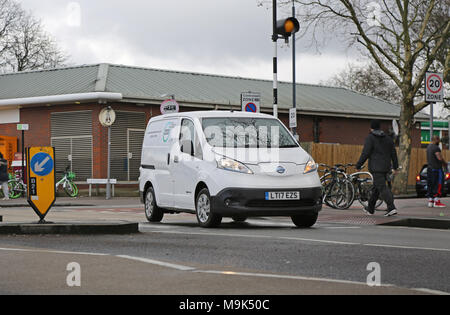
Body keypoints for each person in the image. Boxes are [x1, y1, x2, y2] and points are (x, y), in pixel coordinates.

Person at [356, 120, 399, 216]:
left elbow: (365, 153)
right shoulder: (388, 139)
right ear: (379, 127)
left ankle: (391, 207)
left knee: (382, 188)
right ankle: (370, 208)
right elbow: (393, 153)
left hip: (376, 168)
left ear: (371, 128)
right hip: (386, 167)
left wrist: (359, 165)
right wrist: (395, 167)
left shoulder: (370, 138)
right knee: (376, 188)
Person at [426, 135, 447, 208]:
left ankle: (430, 201)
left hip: (429, 169)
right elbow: (439, 158)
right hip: (436, 169)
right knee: (438, 184)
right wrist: (445, 164)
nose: (439, 142)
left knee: (430, 184)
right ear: (436, 140)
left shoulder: (428, 147)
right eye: (438, 140)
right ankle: (436, 201)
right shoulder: (436, 148)